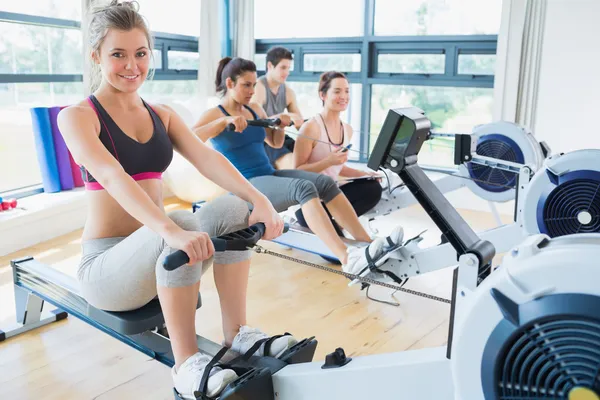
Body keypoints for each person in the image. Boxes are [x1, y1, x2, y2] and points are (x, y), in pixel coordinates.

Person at [57, 2, 296, 398]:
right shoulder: (78, 116)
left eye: (140, 53)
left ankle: (238, 333)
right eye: (118, 54)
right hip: (107, 269)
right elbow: (113, 177)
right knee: (182, 221)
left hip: (164, 254)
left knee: (235, 208)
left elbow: (208, 159)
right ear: (96, 55)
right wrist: (171, 229)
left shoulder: (162, 115)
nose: (131, 65)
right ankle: (185, 365)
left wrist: (259, 200)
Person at [192, 57, 403, 274]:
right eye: (246, 85)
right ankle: (347, 258)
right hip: (245, 186)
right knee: (304, 188)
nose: (252, 90)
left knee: (324, 183)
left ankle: (368, 243)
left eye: (254, 85)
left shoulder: (254, 109)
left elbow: (275, 142)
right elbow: (188, 140)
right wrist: (222, 123)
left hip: (268, 174)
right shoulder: (215, 114)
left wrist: (280, 125)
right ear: (229, 84)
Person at [293, 71, 382, 235]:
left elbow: (338, 168)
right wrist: (328, 161)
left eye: (347, 91)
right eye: (337, 91)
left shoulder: (347, 130)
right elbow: (297, 171)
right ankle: (309, 219)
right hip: (310, 199)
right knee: (331, 256)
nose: (344, 96)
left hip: (331, 194)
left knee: (373, 188)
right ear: (323, 95)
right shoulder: (311, 127)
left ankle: (339, 224)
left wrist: (364, 174)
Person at [251, 46, 303, 170]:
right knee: (291, 162)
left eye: (288, 68)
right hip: (264, 140)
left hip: (281, 135)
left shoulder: (288, 92)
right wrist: (283, 117)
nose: (287, 73)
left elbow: (299, 122)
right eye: (283, 68)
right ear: (270, 66)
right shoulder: (258, 87)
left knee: (308, 157)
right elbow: (257, 120)